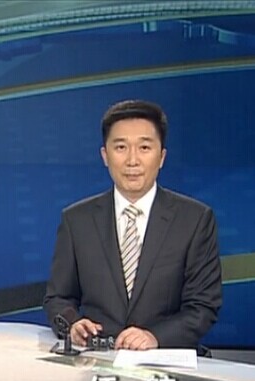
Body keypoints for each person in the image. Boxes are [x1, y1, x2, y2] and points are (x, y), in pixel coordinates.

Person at [43, 100, 222, 351]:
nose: (132, 160)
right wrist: (73, 324)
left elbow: (203, 306)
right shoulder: (77, 220)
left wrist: (154, 337)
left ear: (161, 157)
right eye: (121, 147)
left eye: (144, 147)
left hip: (166, 359)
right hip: (98, 359)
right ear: (105, 155)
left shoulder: (194, 219)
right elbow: (58, 298)